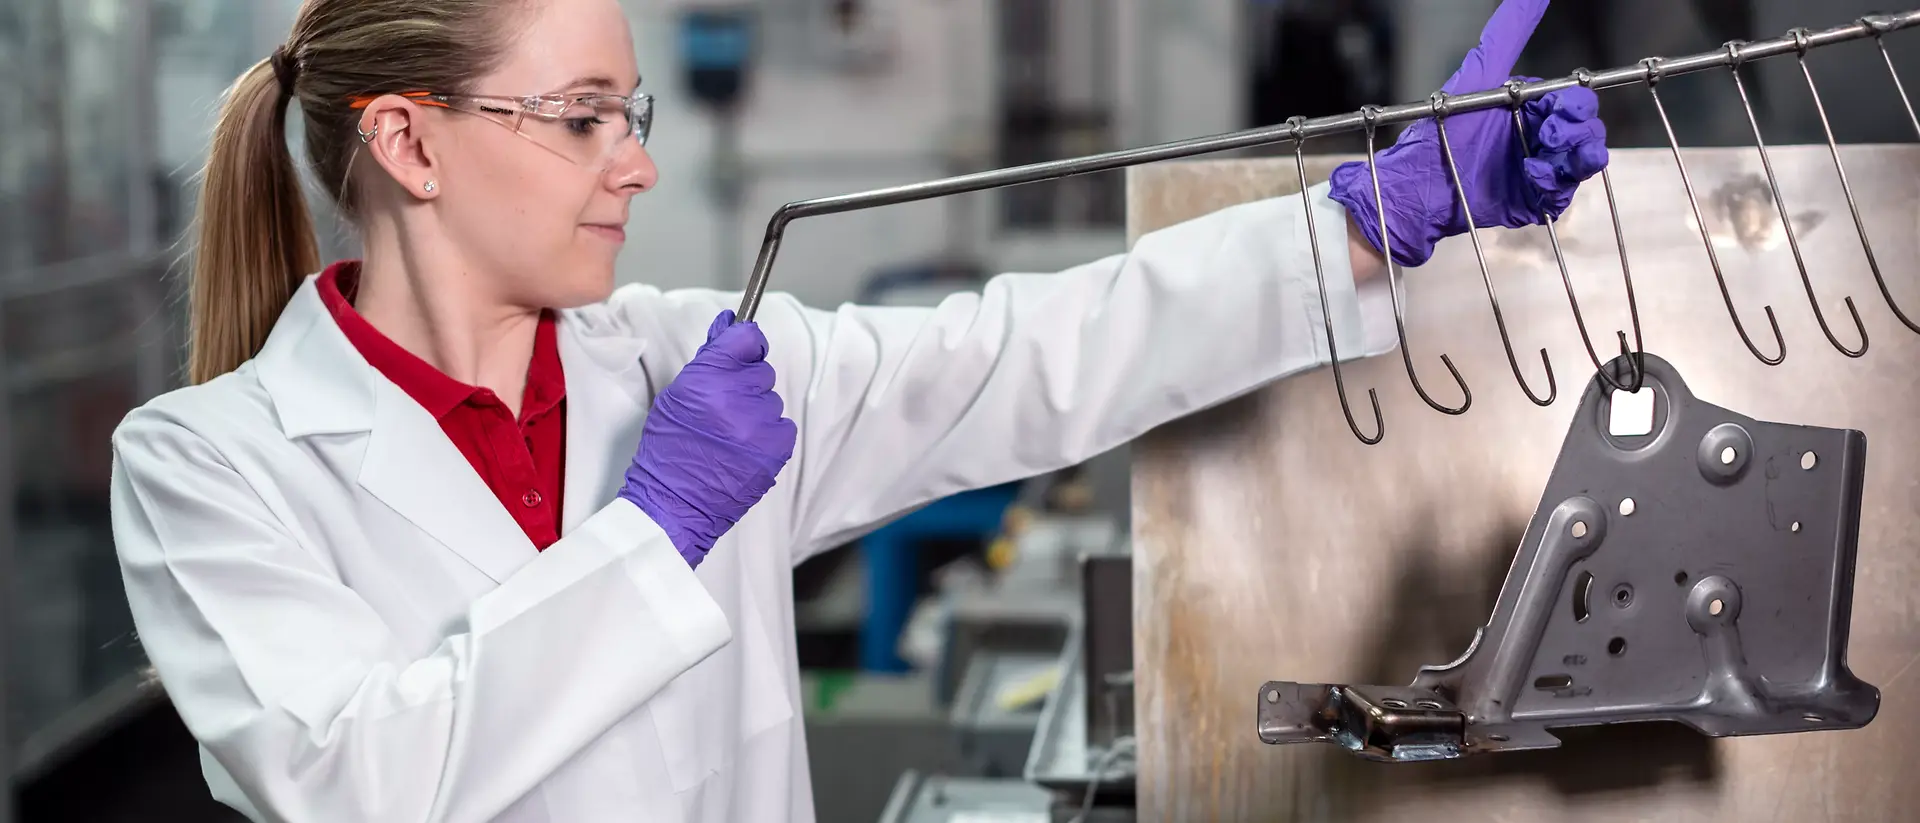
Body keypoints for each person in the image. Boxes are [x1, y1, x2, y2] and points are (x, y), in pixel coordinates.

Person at [107, 0, 1606, 820]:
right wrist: (658, 526)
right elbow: (356, 783)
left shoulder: (692, 358)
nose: (633, 165)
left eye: (629, 115)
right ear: (409, 145)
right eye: (581, 122)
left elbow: (1032, 355)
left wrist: (1361, 222)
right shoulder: (204, 466)